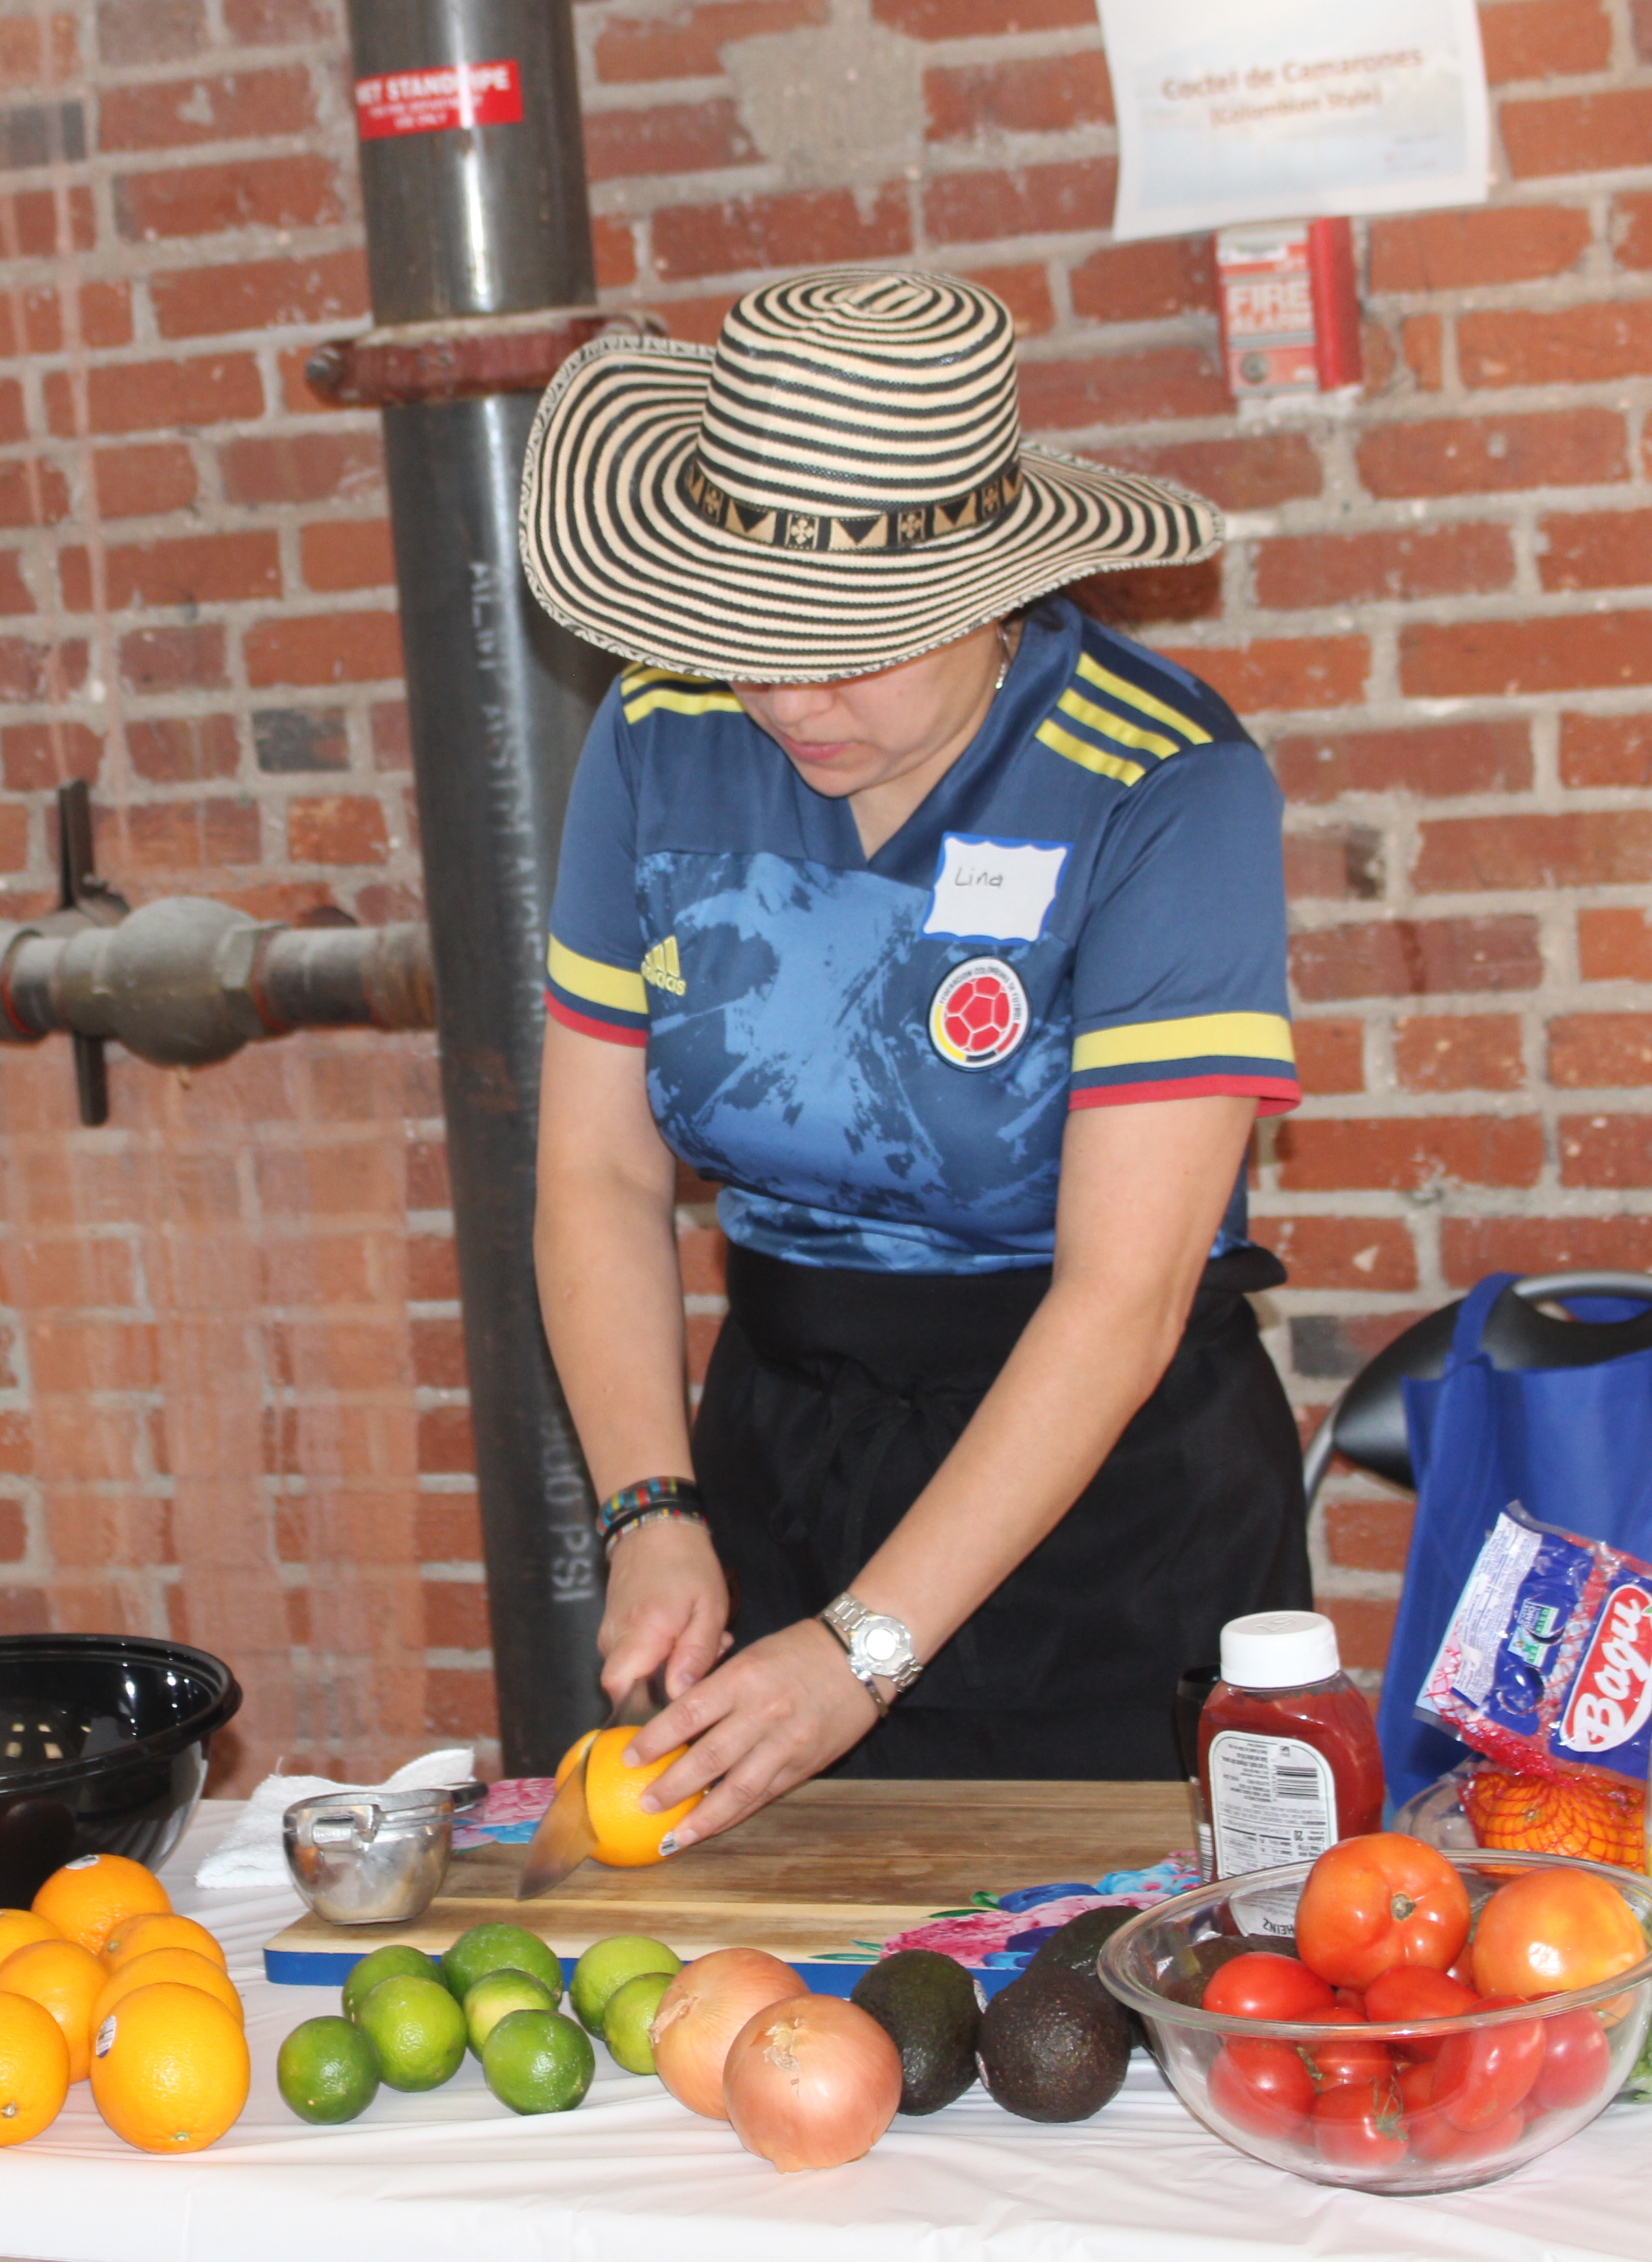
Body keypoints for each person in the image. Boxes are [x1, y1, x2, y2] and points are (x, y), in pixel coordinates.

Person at [514, 267, 1310, 1849]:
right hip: (776, 1460)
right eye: (753, 636)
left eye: (850, 648)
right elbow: (598, 1172)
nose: (786, 698)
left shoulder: (1165, 789)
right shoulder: (662, 732)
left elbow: (1123, 1294)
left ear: (990, 589)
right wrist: (652, 1510)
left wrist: (867, 1648)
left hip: (1099, 1504)